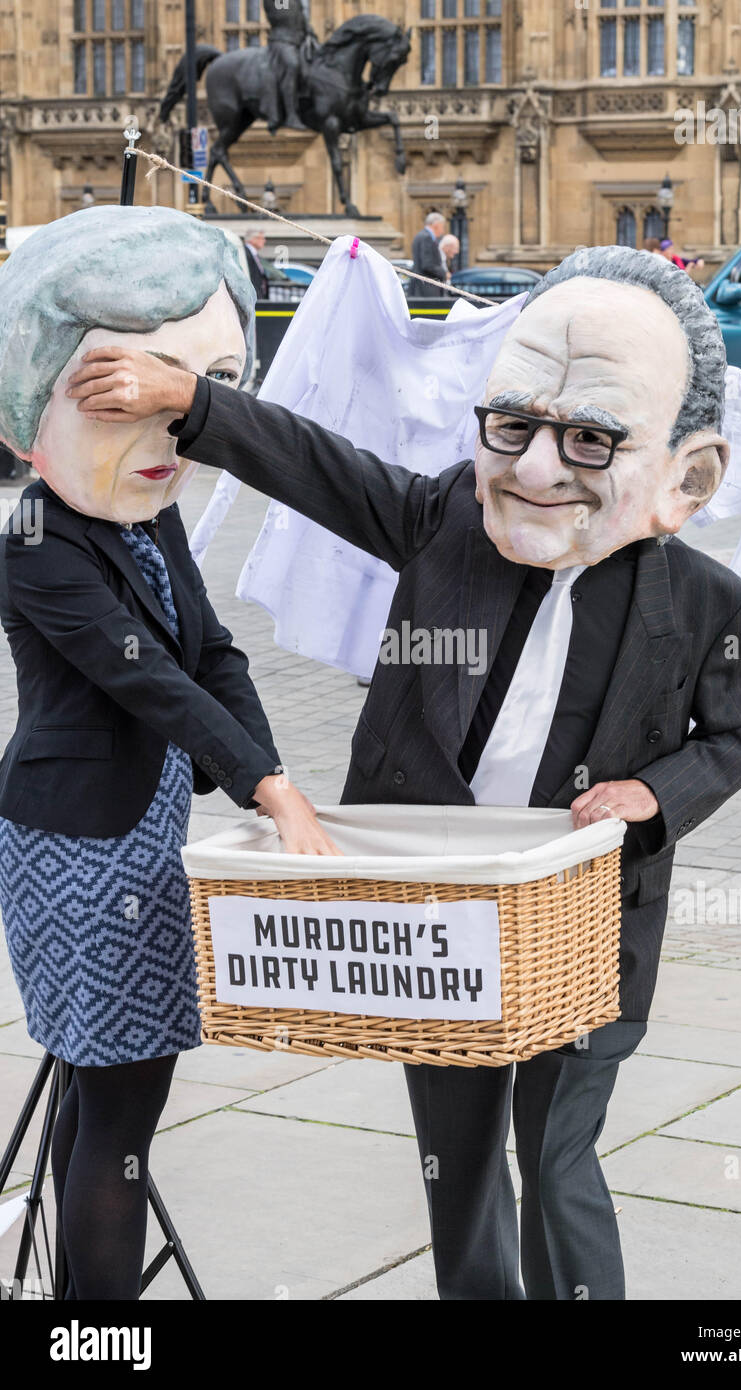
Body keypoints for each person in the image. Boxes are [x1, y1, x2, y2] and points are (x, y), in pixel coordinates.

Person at [67, 244, 741, 1301]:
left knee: (558, 1154)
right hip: (441, 916)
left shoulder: (707, 603)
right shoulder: (449, 515)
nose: (535, 467)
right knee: (457, 1163)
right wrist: (192, 403)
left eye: (587, 438)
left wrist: (651, 795)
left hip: (584, 923)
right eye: (514, 424)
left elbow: (740, 735)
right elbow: (315, 463)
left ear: (681, 479)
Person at [0, 205, 335, 1301]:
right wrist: (266, 785)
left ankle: (75, 1310)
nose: (165, 438)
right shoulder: (34, 529)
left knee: (109, 1106)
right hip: (74, 848)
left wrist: (273, 789)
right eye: (118, 394)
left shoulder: (147, 510)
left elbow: (214, 651)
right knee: (120, 1119)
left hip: (144, 838)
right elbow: (141, 669)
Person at [260, 0, 313, 134]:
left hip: (299, 40)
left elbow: (300, 17)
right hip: (282, 40)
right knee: (292, 65)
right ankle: (290, 115)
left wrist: (309, 32)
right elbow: (282, 14)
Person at [410, 212, 448, 296]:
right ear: (436, 225)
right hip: (426, 288)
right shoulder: (427, 237)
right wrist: (444, 273)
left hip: (421, 287)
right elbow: (428, 265)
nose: (443, 231)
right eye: (442, 226)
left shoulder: (420, 235)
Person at [243, 228, 271, 300]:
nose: (264, 241)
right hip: (252, 297)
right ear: (253, 239)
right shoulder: (245, 253)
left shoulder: (254, 254)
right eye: (261, 238)